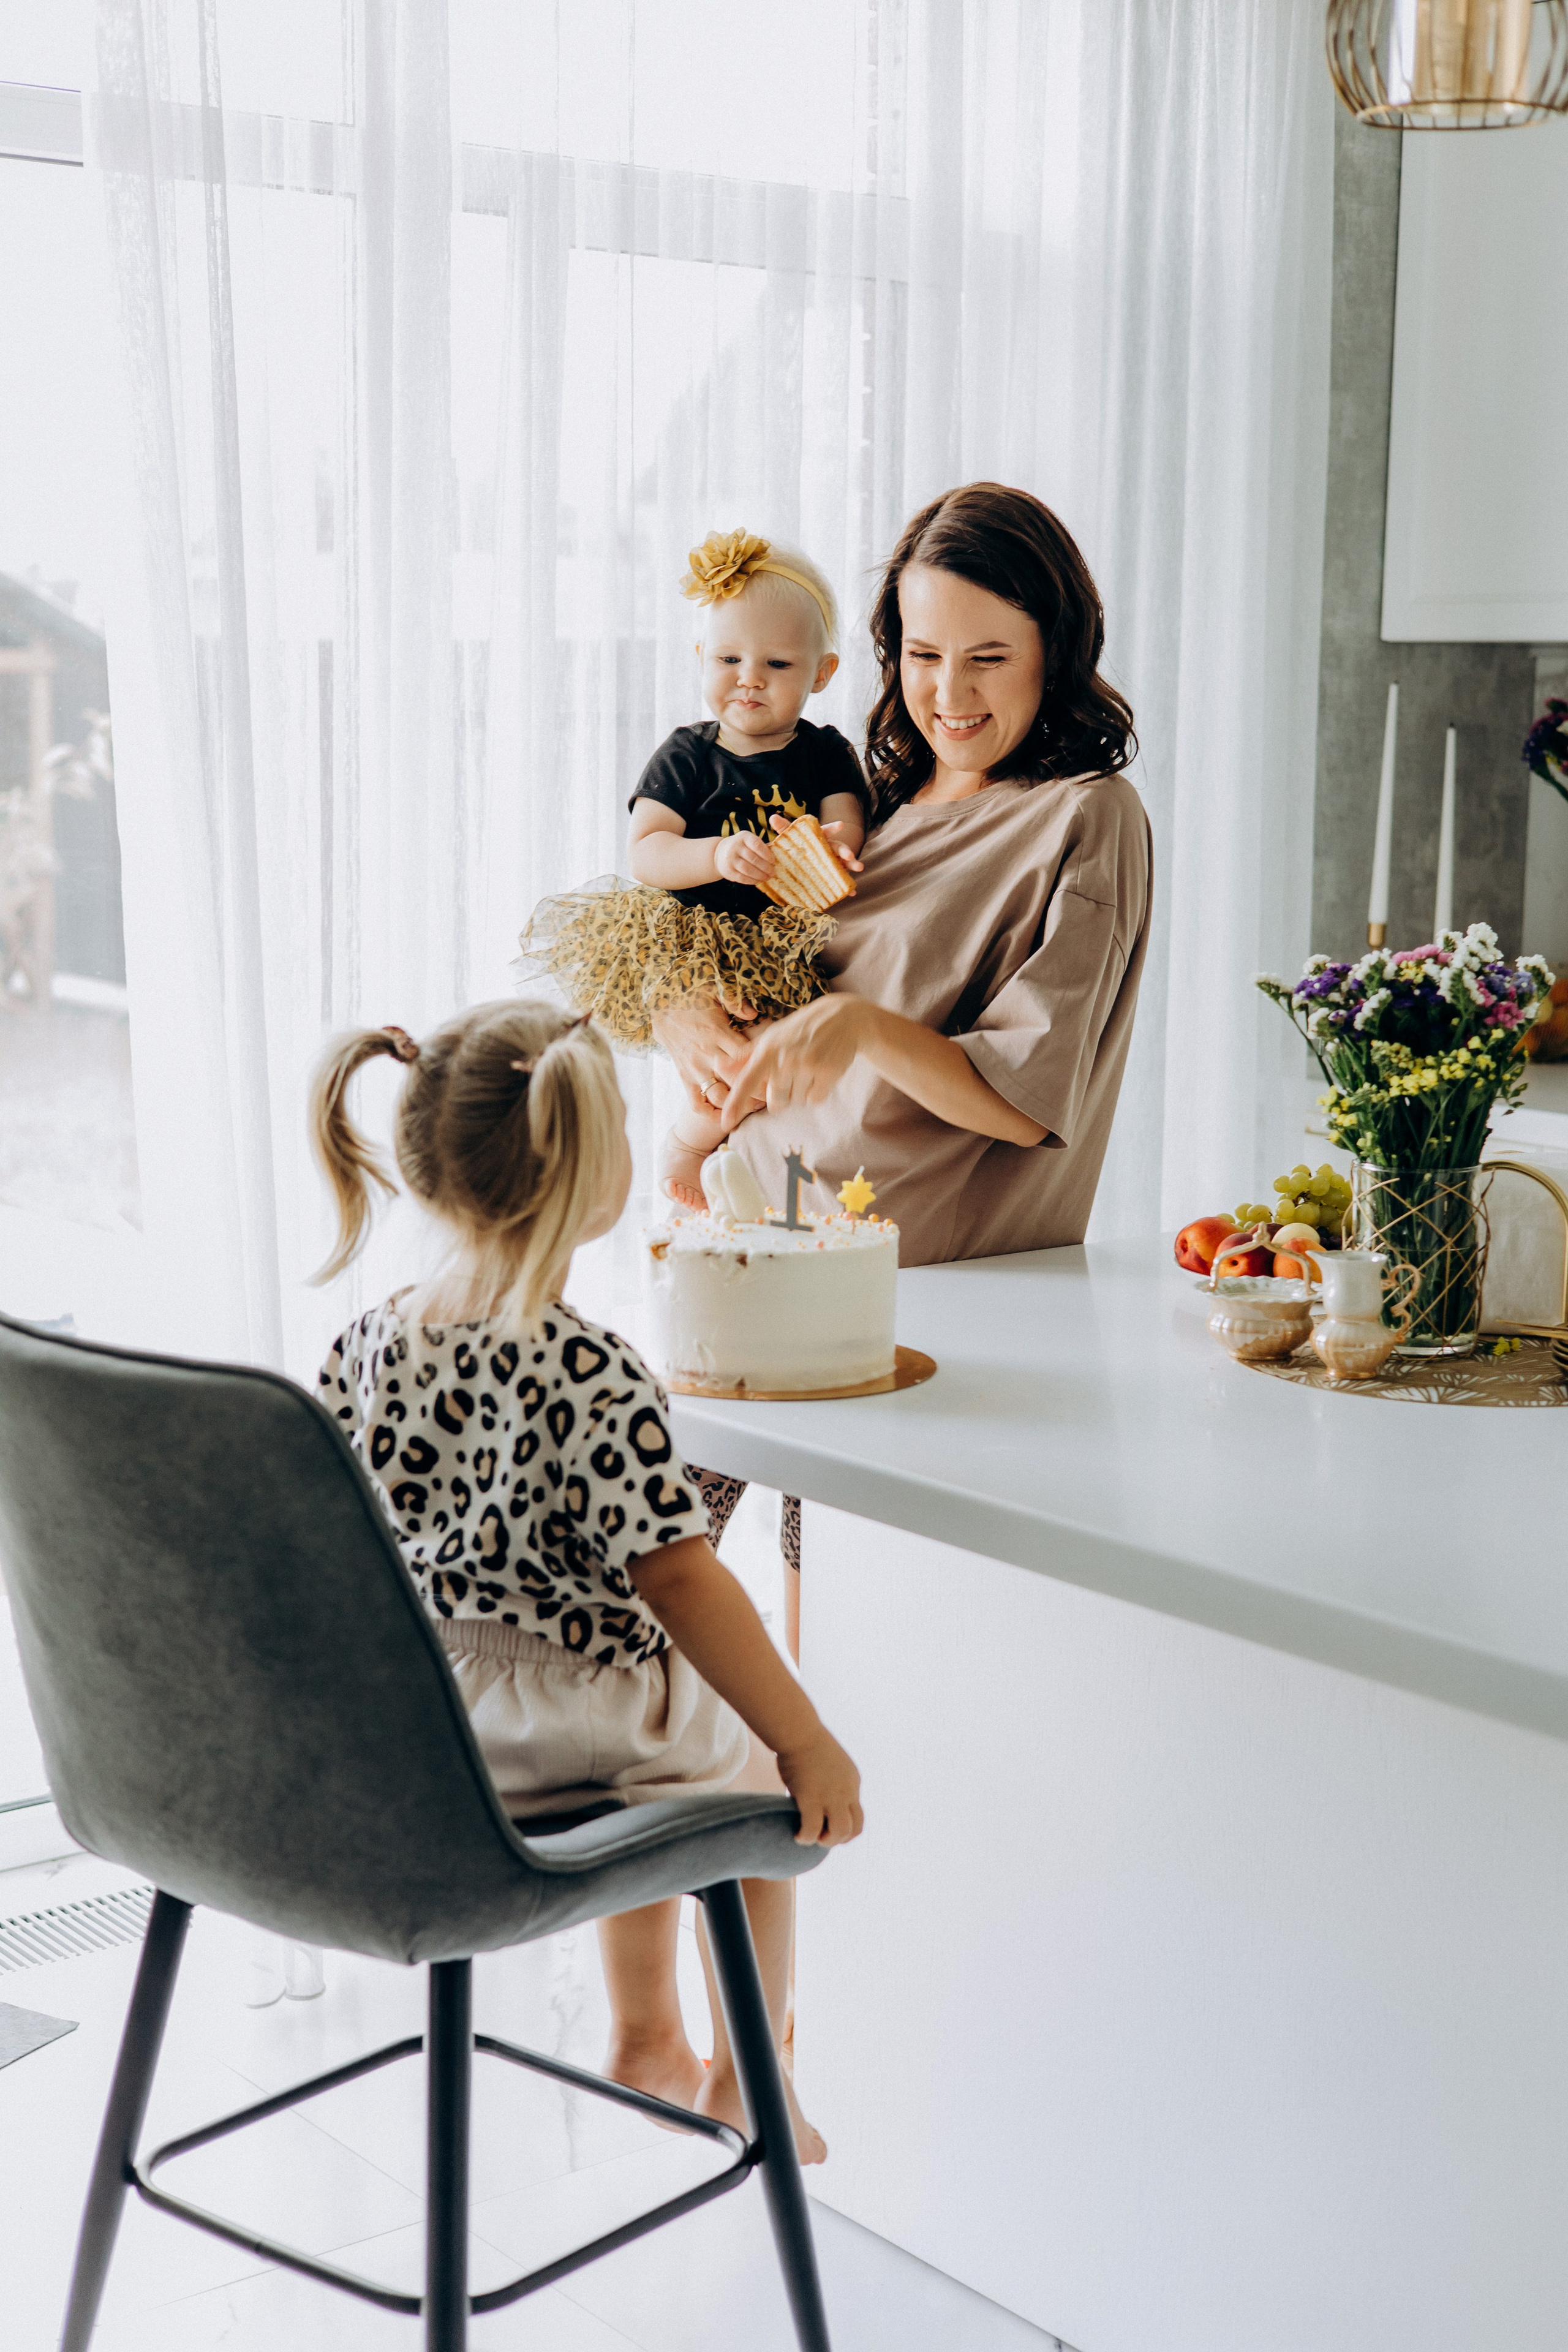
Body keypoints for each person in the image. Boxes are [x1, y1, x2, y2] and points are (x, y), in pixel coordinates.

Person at [309, 1001, 861, 2160]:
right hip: (575, 1723)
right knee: (750, 1781)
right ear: (592, 1174)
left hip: (426, 1719)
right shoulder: (593, 1368)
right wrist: (807, 1738)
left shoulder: (363, 1341)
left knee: (672, 1739)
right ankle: (748, 2078)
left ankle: (646, 2036)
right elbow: (681, 1582)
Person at [657, 483, 1153, 1654]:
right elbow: (726, 940)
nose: (950, 693)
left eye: (989, 656)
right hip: (752, 1258)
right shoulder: (863, 805)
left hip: (920, 1314)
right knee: (652, 1613)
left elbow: (1038, 1102)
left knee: (822, 1652)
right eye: (924, 653)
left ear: (1056, 651)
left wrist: (868, 1032)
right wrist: (679, 1009)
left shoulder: (1089, 818)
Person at [518, 530, 866, 1207]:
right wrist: (714, 854)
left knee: (772, 1062)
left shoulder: (824, 753)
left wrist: (831, 841)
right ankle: (687, 1142)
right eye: (730, 657)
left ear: (821, 673)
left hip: (783, 941)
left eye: (778, 663)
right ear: (701, 655)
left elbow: (847, 817)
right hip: (695, 935)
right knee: (717, 1053)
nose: (750, 678)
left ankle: (748, 1167)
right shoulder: (686, 755)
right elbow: (647, 852)